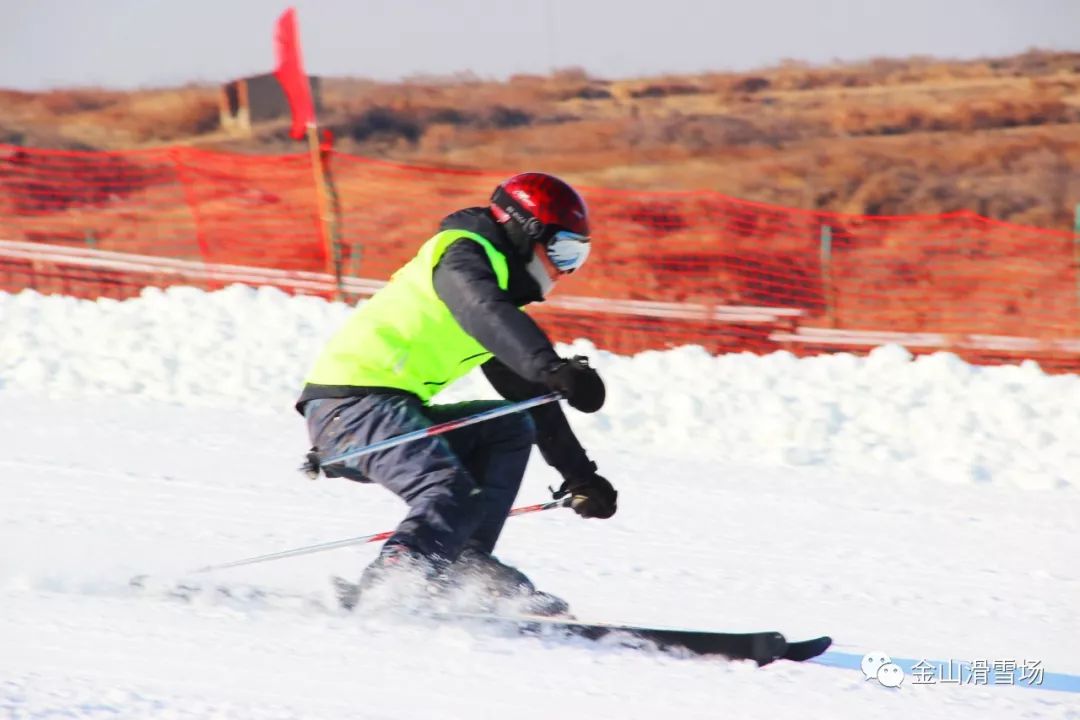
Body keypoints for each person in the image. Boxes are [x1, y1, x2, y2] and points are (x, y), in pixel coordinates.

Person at [296, 172, 617, 615]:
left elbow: (530, 395)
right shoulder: (462, 258)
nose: (566, 269)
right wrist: (552, 367)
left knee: (510, 425)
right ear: (527, 232)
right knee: (449, 491)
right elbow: (484, 311)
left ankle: (461, 561)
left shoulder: (497, 287)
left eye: (578, 256)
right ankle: (387, 586)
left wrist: (579, 474)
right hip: (349, 407)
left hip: (389, 409)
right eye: (563, 251)